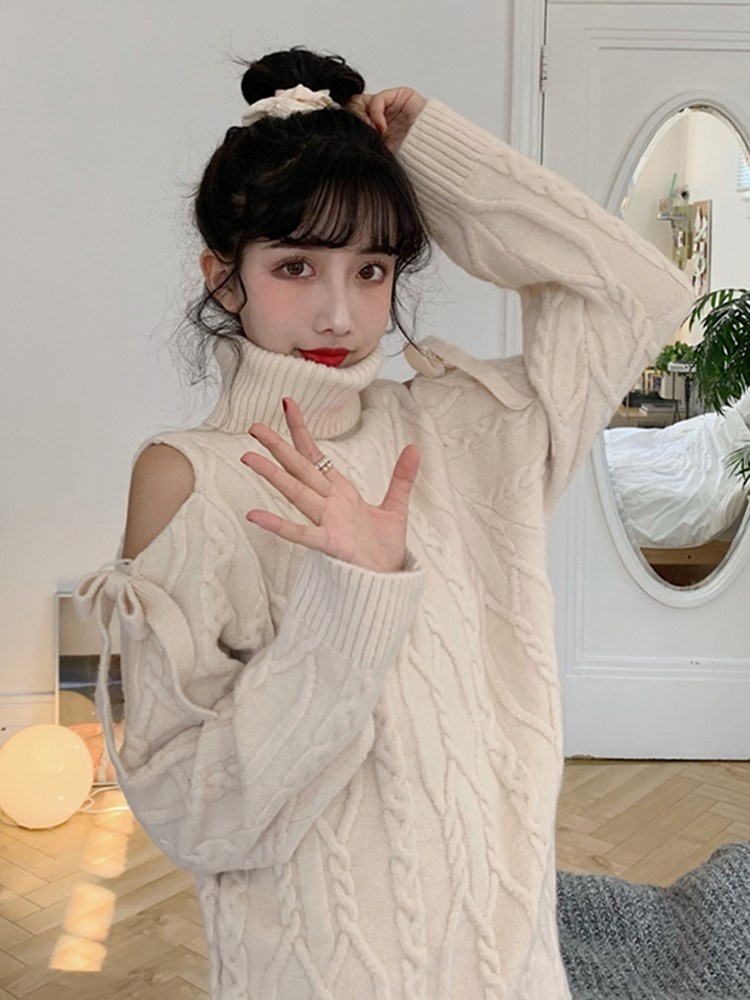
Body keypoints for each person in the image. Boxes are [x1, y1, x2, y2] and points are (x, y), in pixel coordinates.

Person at [75, 46, 693, 1000]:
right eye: (295, 265)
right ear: (225, 278)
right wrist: (354, 603)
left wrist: (428, 152)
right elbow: (199, 815)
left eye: (371, 268)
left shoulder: (464, 430)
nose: (338, 312)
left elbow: (636, 292)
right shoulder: (187, 479)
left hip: (510, 967)